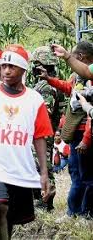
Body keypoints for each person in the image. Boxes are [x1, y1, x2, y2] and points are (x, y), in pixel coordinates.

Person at [0, 44, 52, 240]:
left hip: (20, 168)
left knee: (9, 216)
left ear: (23, 69)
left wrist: (44, 173)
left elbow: (40, 136)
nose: (6, 71)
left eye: (12, 67)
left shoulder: (34, 99)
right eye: (3, 66)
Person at [37, 41, 93, 217]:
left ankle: (83, 212)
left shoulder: (90, 78)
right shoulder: (77, 77)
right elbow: (69, 88)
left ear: (81, 57)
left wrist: (86, 139)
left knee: (86, 176)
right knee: (76, 173)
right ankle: (74, 211)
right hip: (76, 133)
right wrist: (49, 80)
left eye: (73, 57)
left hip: (86, 134)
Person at [30, 46, 64, 210]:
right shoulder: (51, 83)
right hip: (44, 131)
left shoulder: (46, 86)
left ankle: (46, 199)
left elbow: (45, 111)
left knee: (42, 164)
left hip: (42, 132)